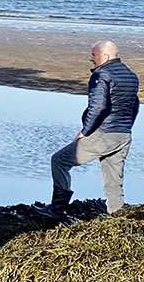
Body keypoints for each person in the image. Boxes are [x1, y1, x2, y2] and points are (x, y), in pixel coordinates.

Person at [48, 40, 139, 214]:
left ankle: (57, 210)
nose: (91, 59)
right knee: (114, 183)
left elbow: (98, 107)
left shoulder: (101, 74)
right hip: (124, 135)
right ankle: (118, 221)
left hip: (105, 135)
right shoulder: (131, 75)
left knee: (59, 160)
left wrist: (85, 132)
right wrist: (125, 128)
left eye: (94, 54)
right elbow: (135, 106)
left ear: (105, 56)